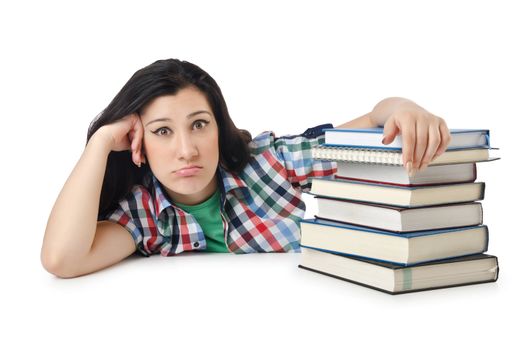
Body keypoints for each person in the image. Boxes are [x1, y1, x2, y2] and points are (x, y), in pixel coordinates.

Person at [41, 58, 451, 278]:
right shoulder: (143, 217)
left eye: (199, 124)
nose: (186, 150)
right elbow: (62, 260)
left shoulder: (271, 163)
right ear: (139, 143)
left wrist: (402, 107)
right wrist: (99, 145)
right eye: (162, 131)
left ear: (218, 126)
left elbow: (373, 122)